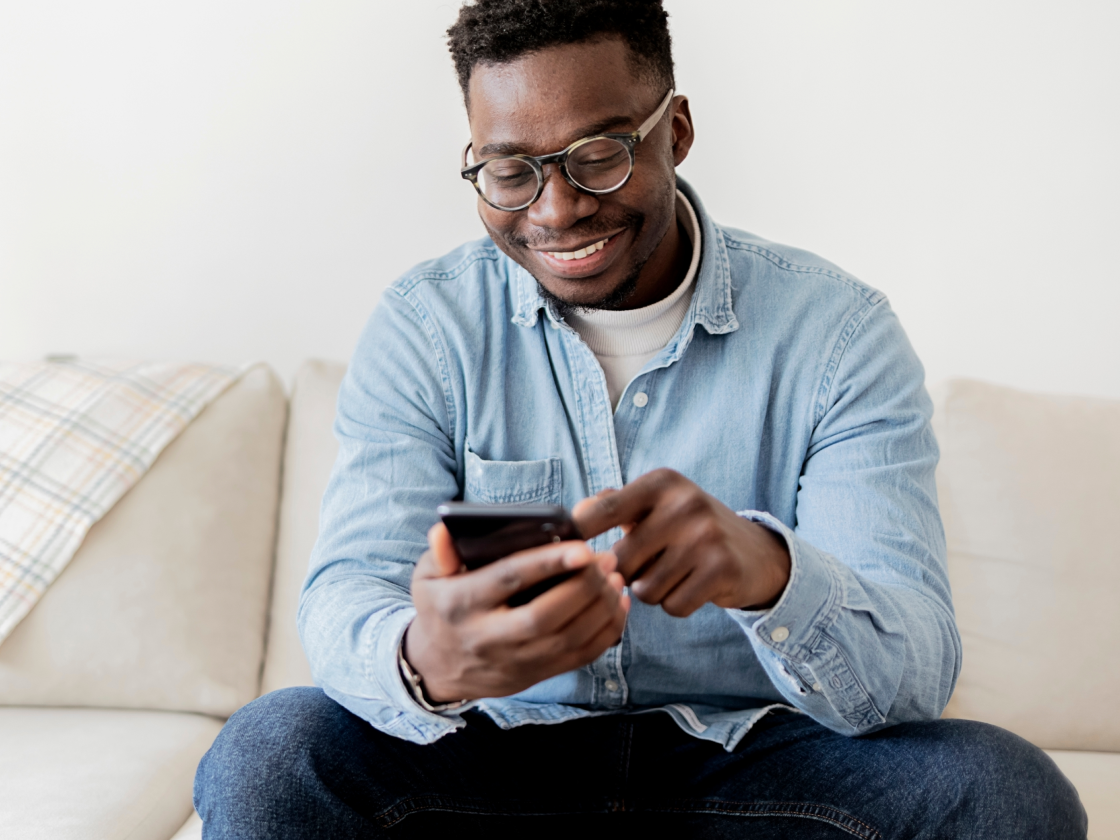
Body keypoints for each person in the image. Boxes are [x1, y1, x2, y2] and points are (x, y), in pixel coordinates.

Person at [194, 1, 1086, 836]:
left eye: (598, 155)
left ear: (678, 131)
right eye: (510, 171)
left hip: (748, 768)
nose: (555, 209)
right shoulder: (427, 328)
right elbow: (349, 589)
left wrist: (771, 574)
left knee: (1004, 788)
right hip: (495, 761)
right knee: (269, 752)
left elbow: (917, 670)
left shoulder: (837, 334)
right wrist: (424, 661)